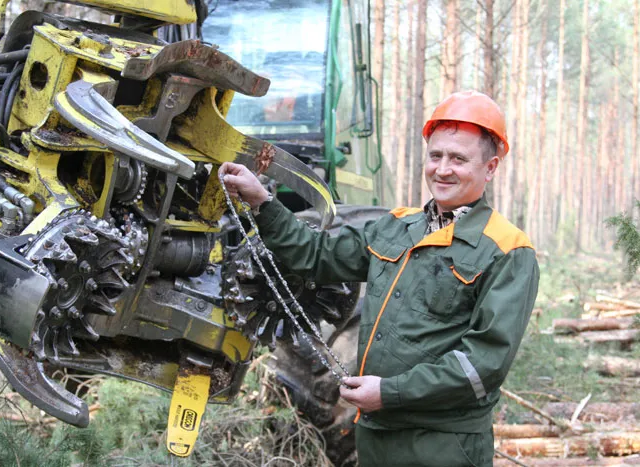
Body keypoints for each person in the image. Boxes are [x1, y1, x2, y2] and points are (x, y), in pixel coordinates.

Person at [219, 90, 539, 467]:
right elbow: (316, 255)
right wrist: (263, 203)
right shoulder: (397, 227)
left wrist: (389, 393)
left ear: (490, 167)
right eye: (435, 156)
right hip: (376, 439)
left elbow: (481, 368)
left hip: (441, 447)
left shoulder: (507, 250)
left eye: (458, 159)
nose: (442, 169)